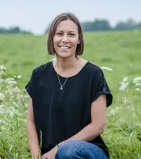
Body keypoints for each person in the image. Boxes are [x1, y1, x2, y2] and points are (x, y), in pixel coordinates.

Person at [25, 12, 113, 159]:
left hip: (90, 151)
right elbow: (31, 121)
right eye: (59, 34)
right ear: (52, 37)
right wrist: (37, 157)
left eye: (71, 34)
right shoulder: (38, 75)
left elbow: (98, 125)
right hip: (50, 154)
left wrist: (58, 148)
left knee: (68, 151)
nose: (65, 39)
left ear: (79, 40)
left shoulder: (93, 74)